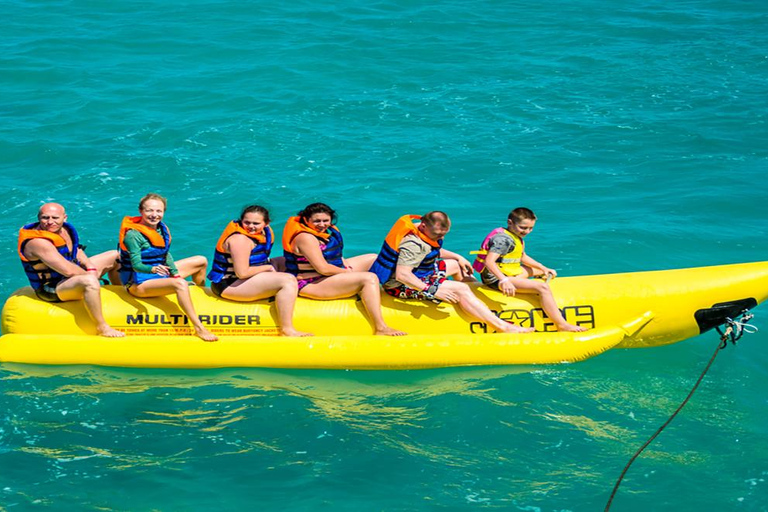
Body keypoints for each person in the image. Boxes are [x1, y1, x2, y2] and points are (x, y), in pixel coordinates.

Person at [370, 212, 534, 334]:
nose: (439, 236)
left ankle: (472, 300)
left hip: (420, 272)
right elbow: (402, 275)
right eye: (436, 234)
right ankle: (502, 327)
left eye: (443, 234)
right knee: (461, 289)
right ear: (423, 226)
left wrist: (458, 257)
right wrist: (433, 290)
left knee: (456, 265)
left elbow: (432, 249)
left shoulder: (424, 233)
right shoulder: (412, 244)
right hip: (400, 285)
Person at [282, 202, 405, 336]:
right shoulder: (306, 237)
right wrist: (346, 272)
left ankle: (393, 289)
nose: (322, 224)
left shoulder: (326, 233)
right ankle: (381, 328)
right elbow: (323, 268)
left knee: (373, 258)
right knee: (369, 278)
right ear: (306, 220)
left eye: (325, 220)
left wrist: (344, 264)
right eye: (316, 221)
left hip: (330, 275)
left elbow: (334, 255)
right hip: (311, 282)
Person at [118, 193, 217, 342]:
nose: (154, 215)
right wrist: (153, 269)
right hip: (139, 283)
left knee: (201, 261)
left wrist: (175, 273)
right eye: (149, 210)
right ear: (141, 211)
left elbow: (165, 254)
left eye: (159, 211)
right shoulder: (133, 235)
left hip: (160, 274)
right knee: (180, 284)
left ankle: (200, 301)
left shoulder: (161, 229)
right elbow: (136, 265)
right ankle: (199, 328)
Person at [18, 203, 124, 337]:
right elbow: (68, 271)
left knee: (115, 255)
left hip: (69, 278)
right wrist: (91, 276)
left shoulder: (64, 230)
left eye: (55, 217)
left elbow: (76, 251)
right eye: (45, 218)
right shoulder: (38, 243)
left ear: (64, 218)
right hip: (52, 288)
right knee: (89, 282)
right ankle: (102, 327)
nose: (50, 222)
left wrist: (90, 266)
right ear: (39, 218)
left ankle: (121, 294)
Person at [472, 207, 586, 332]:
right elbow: (489, 262)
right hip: (496, 278)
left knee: (542, 272)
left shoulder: (513, 235)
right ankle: (562, 324)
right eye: (523, 227)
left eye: (530, 228)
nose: (527, 231)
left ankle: (533, 290)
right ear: (510, 222)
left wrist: (543, 268)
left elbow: (522, 256)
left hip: (509, 271)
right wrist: (504, 281)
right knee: (543, 287)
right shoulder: (503, 240)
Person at [208, 205, 311, 337]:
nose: (251, 226)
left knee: (286, 261)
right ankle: (287, 329)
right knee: (287, 280)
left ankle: (309, 288)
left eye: (256, 223)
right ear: (241, 221)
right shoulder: (240, 240)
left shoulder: (265, 232)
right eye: (247, 222)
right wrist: (267, 268)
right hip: (230, 284)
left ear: (266, 223)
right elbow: (242, 273)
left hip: (247, 278)